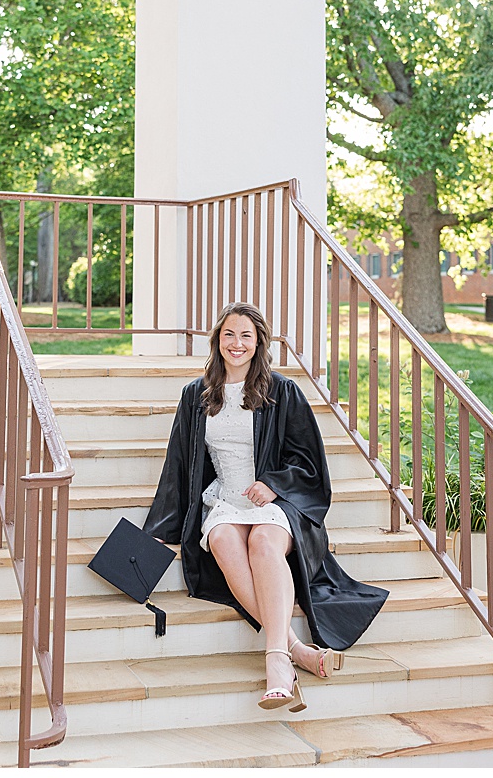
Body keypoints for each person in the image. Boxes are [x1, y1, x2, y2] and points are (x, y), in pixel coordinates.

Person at [144, 301, 388, 712]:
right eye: (229, 335)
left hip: (278, 503)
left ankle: (276, 661)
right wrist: (159, 530)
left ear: (259, 343)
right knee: (220, 538)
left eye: (246, 336)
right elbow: (179, 462)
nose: (236, 344)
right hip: (225, 499)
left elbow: (309, 460)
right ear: (217, 341)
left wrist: (274, 484)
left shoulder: (281, 391)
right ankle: (298, 650)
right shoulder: (197, 395)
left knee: (263, 544)